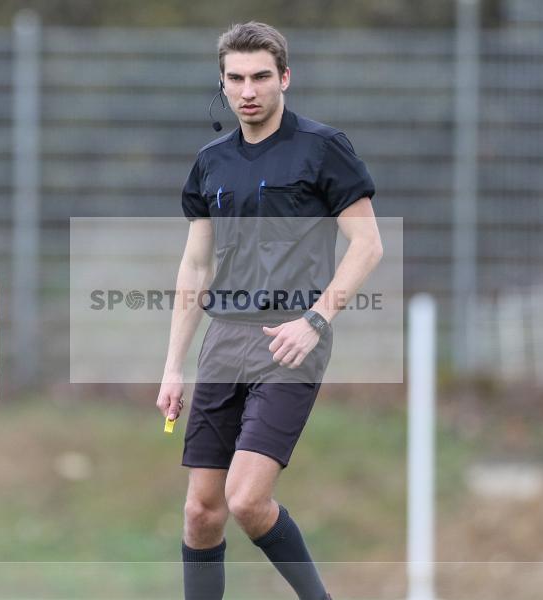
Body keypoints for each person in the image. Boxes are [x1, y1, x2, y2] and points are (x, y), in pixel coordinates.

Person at [156, 22, 383, 600]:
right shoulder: (210, 162)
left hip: (291, 339)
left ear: (284, 78)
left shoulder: (323, 148)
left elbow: (368, 245)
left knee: (246, 499)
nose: (248, 90)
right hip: (223, 341)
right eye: (236, 78)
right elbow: (195, 267)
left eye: (261, 76)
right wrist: (173, 365)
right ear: (223, 84)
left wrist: (315, 321)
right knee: (201, 514)